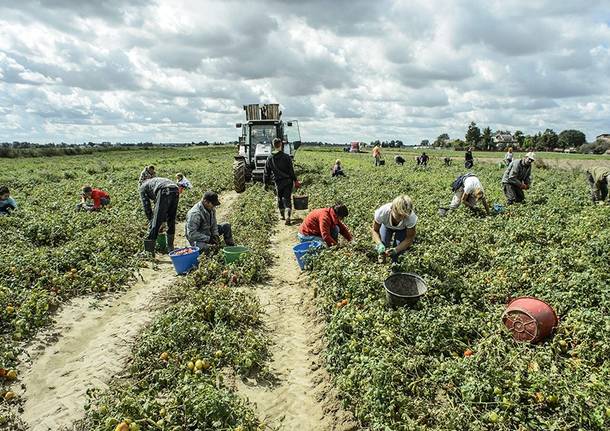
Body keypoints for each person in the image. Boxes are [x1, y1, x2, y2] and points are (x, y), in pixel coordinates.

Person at [264, 138, 300, 225]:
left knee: (279, 198)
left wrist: (265, 183)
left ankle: (282, 216)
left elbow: (266, 172)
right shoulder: (286, 157)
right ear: (281, 145)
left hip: (278, 182)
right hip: (288, 181)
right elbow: (291, 171)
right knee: (287, 198)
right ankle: (288, 215)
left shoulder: (270, 158)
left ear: (273, 145)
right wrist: (295, 180)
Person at [372, 195, 417, 263]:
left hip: (402, 229)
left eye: (404, 216)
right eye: (399, 215)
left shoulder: (411, 217)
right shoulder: (382, 212)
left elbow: (409, 238)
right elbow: (375, 230)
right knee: (383, 243)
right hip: (386, 226)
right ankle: (382, 259)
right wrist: (379, 244)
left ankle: (395, 265)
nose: (401, 218)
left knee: (399, 250)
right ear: (392, 208)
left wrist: (396, 249)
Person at [140, 177, 180, 251]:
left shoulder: (142, 187)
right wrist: (163, 220)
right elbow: (161, 206)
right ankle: (170, 247)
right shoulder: (153, 182)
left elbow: (147, 207)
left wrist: (151, 222)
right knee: (171, 218)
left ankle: (149, 251)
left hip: (164, 189)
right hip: (175, 189)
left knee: (156, 220)